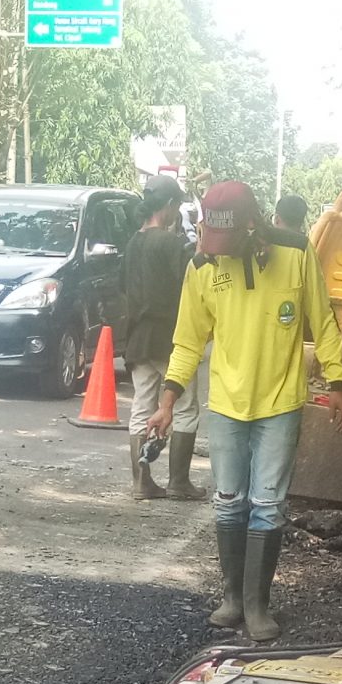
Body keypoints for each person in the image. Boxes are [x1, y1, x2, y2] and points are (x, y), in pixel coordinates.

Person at [144, 181, 342, 643]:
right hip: (227, 404)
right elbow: (188, 340)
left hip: (279, 404)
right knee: (229, 500)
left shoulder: (297, 253)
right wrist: (167, 401)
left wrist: (338, 383)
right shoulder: (203, 265)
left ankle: (258, 604)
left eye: (225, 242)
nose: (215, 250)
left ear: (252, 227)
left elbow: (323, 319)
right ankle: (232, 598)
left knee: (269, 504)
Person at [120, 178, 202, 501]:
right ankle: (179, 482)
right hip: (170, 338)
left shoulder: (132, 244)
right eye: (176, 207)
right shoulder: (170, 244)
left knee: (141, 408)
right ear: (168, 207)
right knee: (184, 407)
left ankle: (142, 483)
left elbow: (123, 287)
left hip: (139, 338)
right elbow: (192, 280)